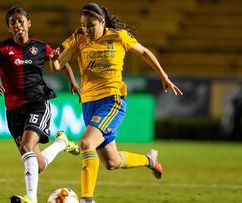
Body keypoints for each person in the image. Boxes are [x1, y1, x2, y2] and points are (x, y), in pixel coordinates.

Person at [51, 3, 183, 203]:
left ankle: (87, 199)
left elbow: (145, 52)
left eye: (91, 25)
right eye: (83, 25)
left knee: (86, 143)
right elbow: (57, 65)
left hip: (112, 100)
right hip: (89, 104)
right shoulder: (78, 39)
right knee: (112, 162)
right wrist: (53, 58)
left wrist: (164, 76)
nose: (86, 30)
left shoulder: (118, 36)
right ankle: (149, 160)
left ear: (102, 22)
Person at [0, 5, 80, 203]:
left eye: (20, 21)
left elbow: (62, 62)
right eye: (13, 23)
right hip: (13, 111)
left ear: (29, 23)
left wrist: (73, 82)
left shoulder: (40, 47)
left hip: (38, 103)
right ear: (9, 28)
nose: (17, 25)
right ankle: (62, 143)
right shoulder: (1, 49)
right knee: (39, 164)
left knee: (27, 146)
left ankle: (31, 199)